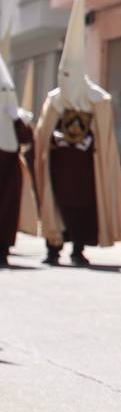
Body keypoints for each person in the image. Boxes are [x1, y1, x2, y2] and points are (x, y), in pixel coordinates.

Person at [33, 0, 121, 266]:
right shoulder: (54, 101)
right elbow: (42, 137)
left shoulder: (97, 101)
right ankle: (53, 249)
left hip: (87, 174)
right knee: (57, 207)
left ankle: (78, 249)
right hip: (60, 171)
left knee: (82, 210)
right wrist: (56, 139)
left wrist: (88, 140)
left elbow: (104, 141)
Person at [0, 37, 37, 267]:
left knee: (7, 209)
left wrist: (19, 119)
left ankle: (3, 247)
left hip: (9, 168)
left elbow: (26, 139)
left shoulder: (14, 117)